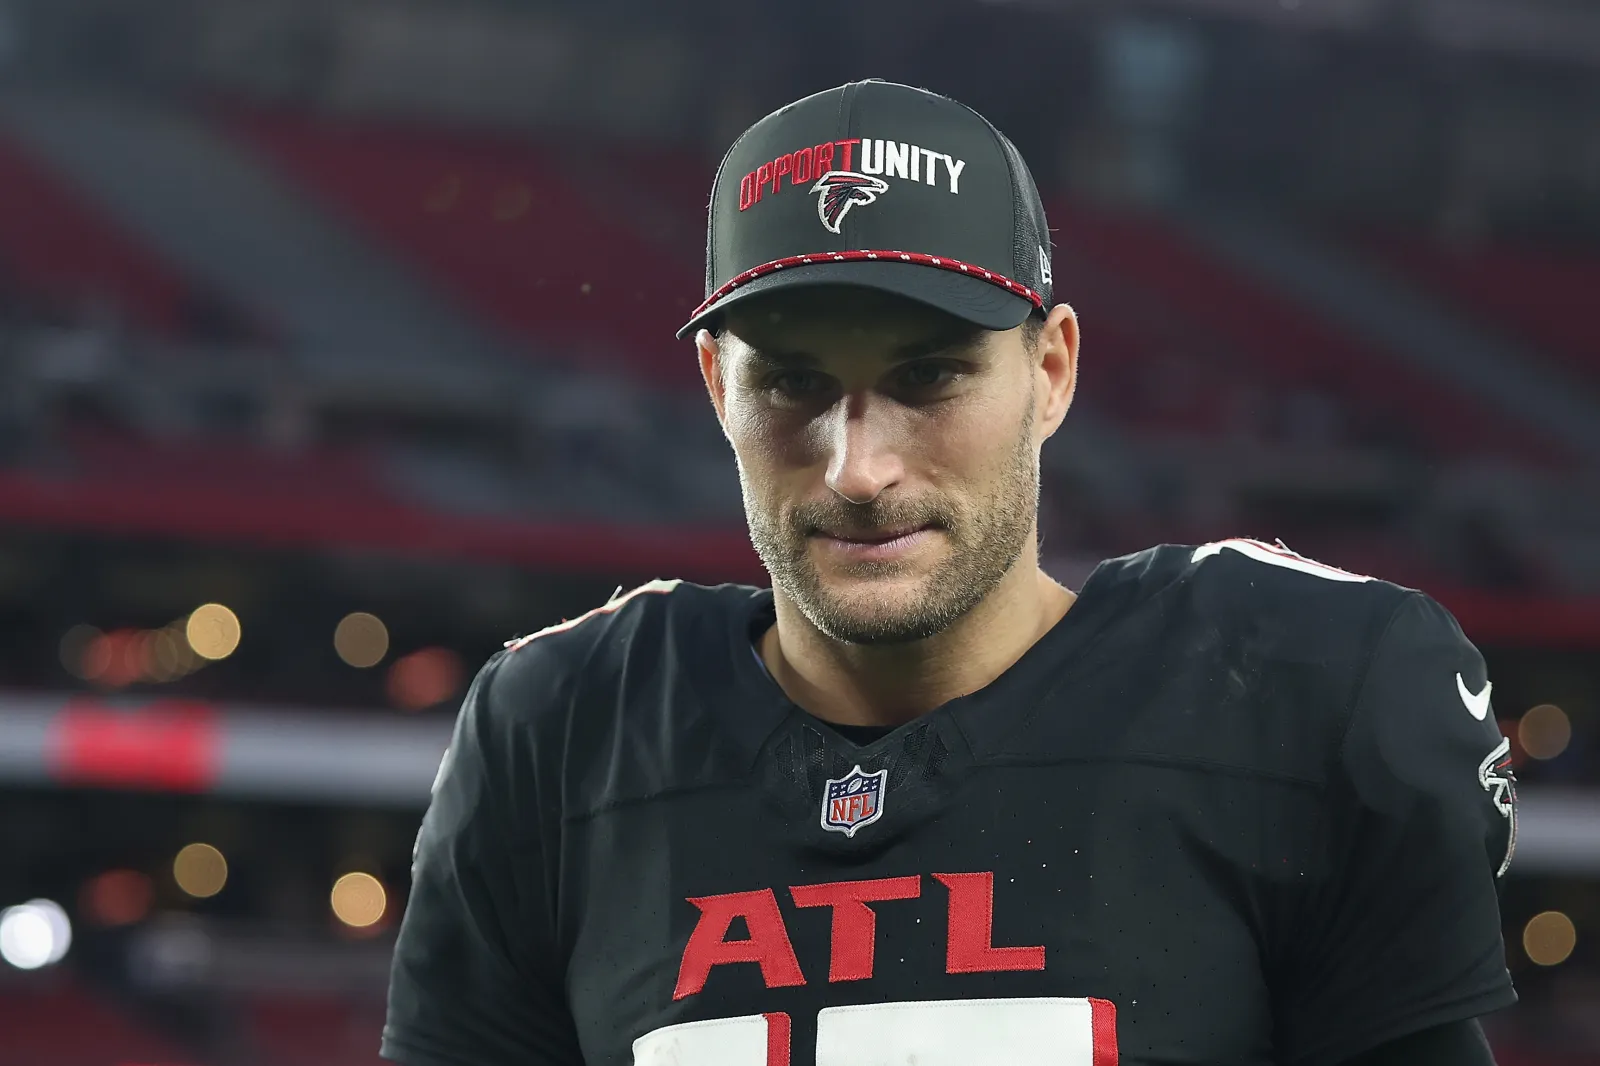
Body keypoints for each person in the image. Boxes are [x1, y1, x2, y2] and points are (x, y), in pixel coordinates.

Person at [381, 81, 1517, 1066]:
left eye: (928, 377)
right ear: (717, 386)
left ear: (1053, 370)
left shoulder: (1289, 696)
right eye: (790, 384)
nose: (859, 465)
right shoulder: (560, 735)